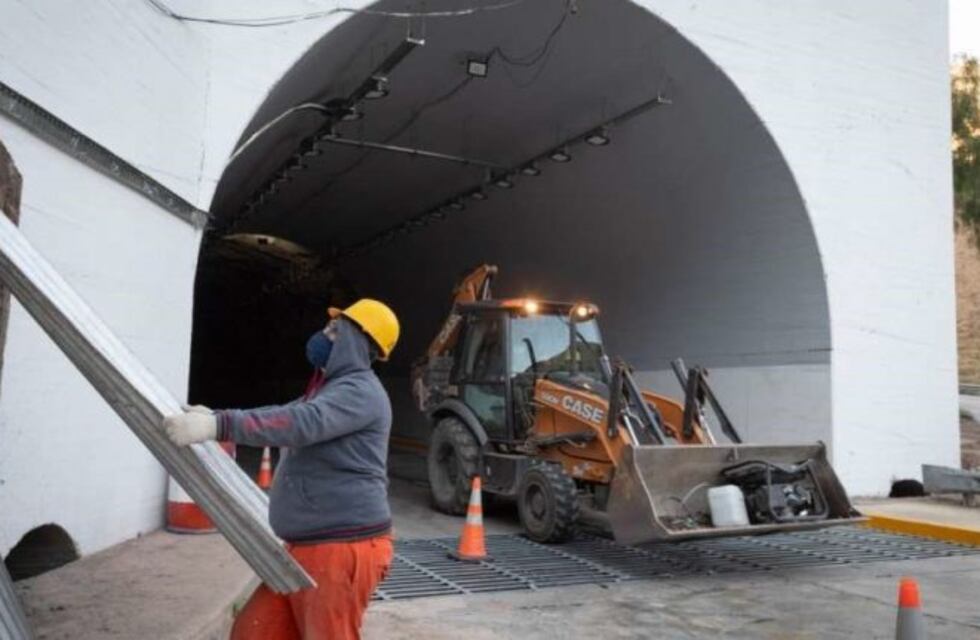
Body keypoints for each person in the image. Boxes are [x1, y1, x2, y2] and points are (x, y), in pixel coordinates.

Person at [162, 299, 400, 640]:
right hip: (307, 546)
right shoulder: (331, 390)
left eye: (334, 330)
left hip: (342, 547)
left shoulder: (360, 393)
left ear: (355, 341)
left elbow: (299, 423)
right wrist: (215, 415)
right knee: (254, 632)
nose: (323, 335)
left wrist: (219, 427)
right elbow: (281, 413)